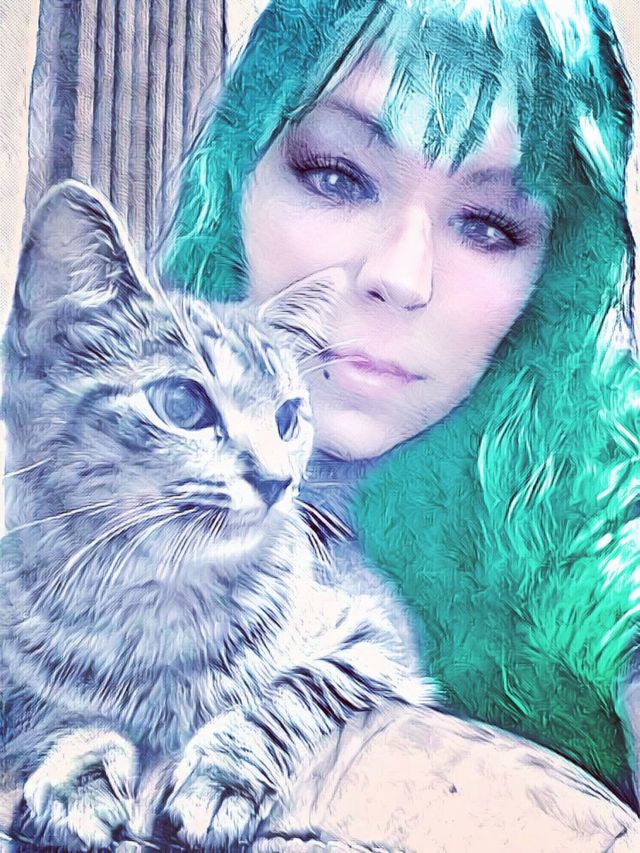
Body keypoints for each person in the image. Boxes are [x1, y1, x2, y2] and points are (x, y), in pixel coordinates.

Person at [161, 0, 640, 805]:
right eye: (337, 176)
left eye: (487, 226)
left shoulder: (595, 503)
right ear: (239, 172)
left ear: (553, 274)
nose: (401, 276)